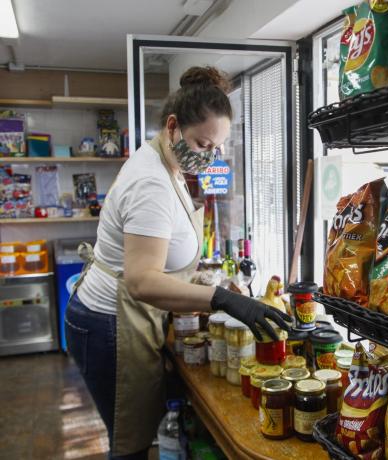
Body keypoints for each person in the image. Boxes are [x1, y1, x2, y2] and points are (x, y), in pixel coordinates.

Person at [64, 66, 291, 460]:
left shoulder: (167, 163)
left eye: (217, 147)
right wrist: (219, 298)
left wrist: (201, 277)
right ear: (173, 126)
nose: (210, 156)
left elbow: (162, 251)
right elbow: (142, 281)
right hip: (113, 323)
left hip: (130, 317)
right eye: (204, 145)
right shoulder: (150, 182)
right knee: (130, 443)